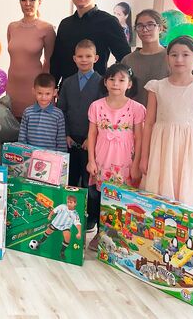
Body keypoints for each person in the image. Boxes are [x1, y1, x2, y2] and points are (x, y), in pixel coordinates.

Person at [139, 36, 193, 211]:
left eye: (185, 54)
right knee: (160, 196)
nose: (179, 59)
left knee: (187, 194)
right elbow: (149, 123)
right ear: (167, 58)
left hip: (191, 152)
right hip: (162, 149)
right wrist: (144, 157)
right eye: (174, 55)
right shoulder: (156, 86)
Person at [86, 63, 146, 248]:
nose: (116, 83)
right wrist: (91, 160)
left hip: (125, 161)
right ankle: (100, 234)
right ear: (105, 82)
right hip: (102, 159)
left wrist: (136, 164)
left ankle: (121, 239)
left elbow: (139, 138)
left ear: (129, 84)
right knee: (98, 198)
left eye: (121, 80)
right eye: (111, 79)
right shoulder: (96, 106)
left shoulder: (137, 108)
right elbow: (92, 134)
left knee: (122, 200)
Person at [50, 0, 131, 85]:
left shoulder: (109, 21)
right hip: (67, 88)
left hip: (97, 88)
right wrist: (52, 86)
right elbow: (57, 60)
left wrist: (113, 83)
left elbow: (124, 57)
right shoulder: (65, 24)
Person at [56, 39, 103, 193]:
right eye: (80, 56)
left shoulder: (102, 83)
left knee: (89, 182)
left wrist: (91, 138)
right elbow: (62, 110)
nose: (84, 60)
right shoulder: (68, 83)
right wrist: (66, 134)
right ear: (74, 58)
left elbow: (102, 115)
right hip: (70, 140)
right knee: (69, 179)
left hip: (91, 141)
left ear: (96, 58)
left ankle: (90, 208)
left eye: (88, 56)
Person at [6, 0, 56, 120]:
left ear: (40, 2)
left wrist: (45, 90)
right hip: (12, 86)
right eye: (23, 0)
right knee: (11, 126)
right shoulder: (12, 27)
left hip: (34, 87)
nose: (27, 4)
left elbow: (49, 61)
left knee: (34, 126)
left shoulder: (47, 28)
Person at [120, 9, 169, 107]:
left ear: (160, 28)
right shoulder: (128, 60)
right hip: (134, 114)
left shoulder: (172, 57)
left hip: (164, 114)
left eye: (150, 25)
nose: (145, 29)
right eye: (140, 26)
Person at [18, 73, 66, 152]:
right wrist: (21, 152)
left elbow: (61, 139)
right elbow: (22, 137)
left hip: (50, 156)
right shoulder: (28, 112)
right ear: (34, 91)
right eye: (40, 93)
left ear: (54, 92)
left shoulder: (58, 114)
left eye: (47, 94)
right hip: (30, 155)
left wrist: (62, 156)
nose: (43, 97)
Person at [29, 195, 82, 260]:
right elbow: (54, 210)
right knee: (47, 232)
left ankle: (62, 252)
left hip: (65, 227)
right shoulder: (62, 206)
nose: (68, 204)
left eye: (71, 202)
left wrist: (79, 232)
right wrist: (50, 215)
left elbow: (78, 223)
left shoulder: (75, 214)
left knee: (68, 237)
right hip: (56, 224)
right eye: (68, 202)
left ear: (75, 203)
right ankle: (41, 240)